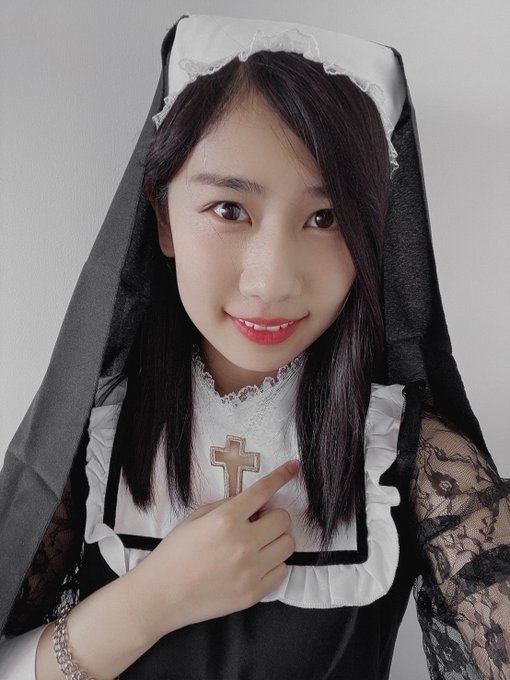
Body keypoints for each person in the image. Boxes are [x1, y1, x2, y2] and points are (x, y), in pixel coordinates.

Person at [0, 14, 508, 680]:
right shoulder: (93, 438)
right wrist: (148, 603)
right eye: (230, 209)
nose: (271, 281)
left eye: (325, 218)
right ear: (163, 214)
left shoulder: (417, 460)